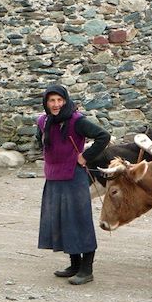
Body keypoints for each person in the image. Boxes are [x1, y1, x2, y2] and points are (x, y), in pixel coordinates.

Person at [37, 84, 110, 285]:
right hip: (53, 178)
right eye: (51, 100)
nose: (56, 104)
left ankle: (87, 270)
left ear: (66, 101)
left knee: (79, 221)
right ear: (46, 102)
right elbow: (40, 140)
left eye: (59, 100)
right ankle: (74, 265)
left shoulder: (77, 121)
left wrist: (85, 156)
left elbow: (103, 136)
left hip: (74, 177)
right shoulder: (43, 121)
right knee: (62, 221)